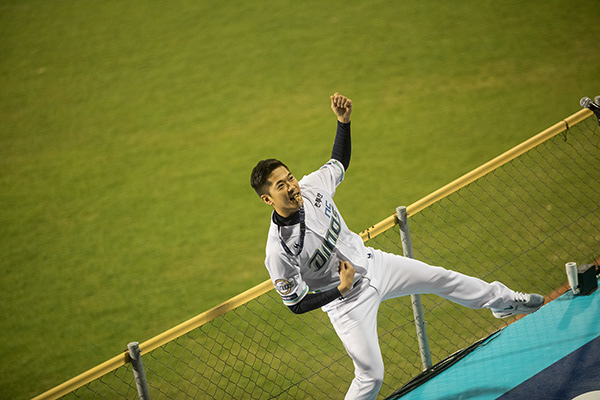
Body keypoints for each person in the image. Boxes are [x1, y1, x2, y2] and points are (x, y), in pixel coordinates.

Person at [250, 92, 544, 400]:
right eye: (281, 185)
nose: (292, 186)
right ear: (267, 199)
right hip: (346, 303)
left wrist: (343, 122)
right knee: (371, 376)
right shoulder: (278, 250)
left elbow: (338, 163)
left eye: (290, 178)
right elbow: (296, 304)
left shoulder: (313, 188)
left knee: (441, 278)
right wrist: (340, 289)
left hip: (376, 264)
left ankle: (503, 301)